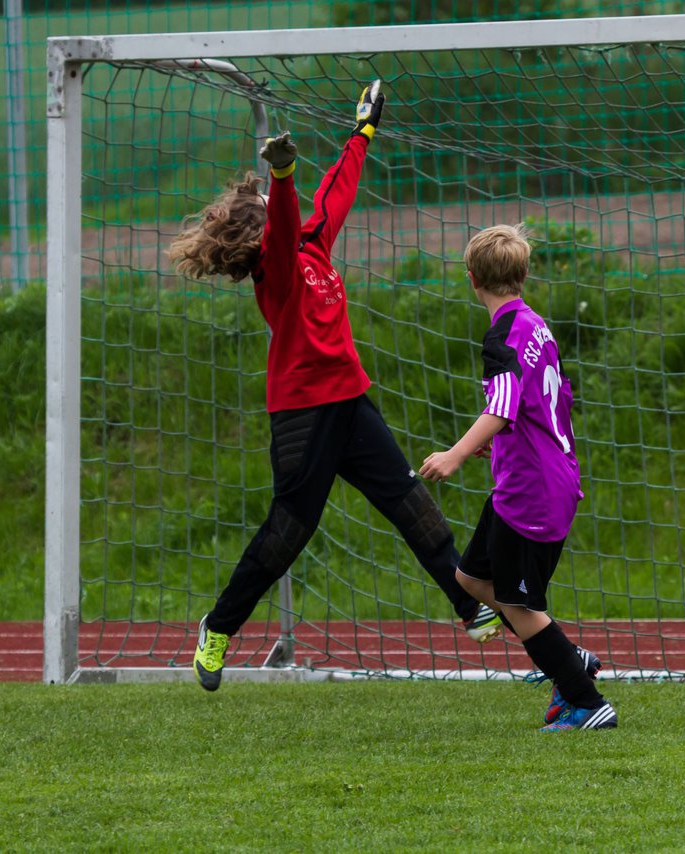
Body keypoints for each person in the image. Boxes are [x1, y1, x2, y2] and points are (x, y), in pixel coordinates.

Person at [169, 82, 502, 690]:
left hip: (349, 401)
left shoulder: (313, 243)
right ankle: (217, 628)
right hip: (301, 412)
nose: (284, 218)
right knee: (289, 534)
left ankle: (467, 602)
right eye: (276, 215)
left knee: (410, 503)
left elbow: (337, 191)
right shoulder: (274, 268)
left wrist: (363, 131)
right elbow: (292, 211)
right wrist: (284, 175)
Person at [418, 224, 616, 731]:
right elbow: (550, 402)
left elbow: (503, 405)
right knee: (470, 579)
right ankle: (568, 658)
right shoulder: (536, 324)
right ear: (523, 275)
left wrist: (457, 453)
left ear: (471, 279)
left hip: (532, 490)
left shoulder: (503, 334)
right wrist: (503, 445)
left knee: (515, 602)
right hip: (536, 479)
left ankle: (587, 702)